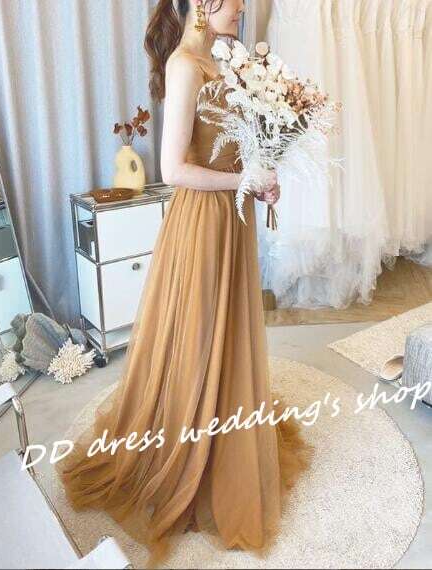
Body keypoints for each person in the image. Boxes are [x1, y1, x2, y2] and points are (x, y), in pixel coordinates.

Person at [57, 1, 314, 568]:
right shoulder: (184, 64)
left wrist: (260, 176)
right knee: (196, 333)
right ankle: (188, 445)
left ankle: (225, 420)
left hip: (232, 217)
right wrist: (244, 179)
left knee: (228, 329)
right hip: (201, 222)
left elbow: (232, 145)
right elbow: (173, 170)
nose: (242, 5)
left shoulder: (225, 58)